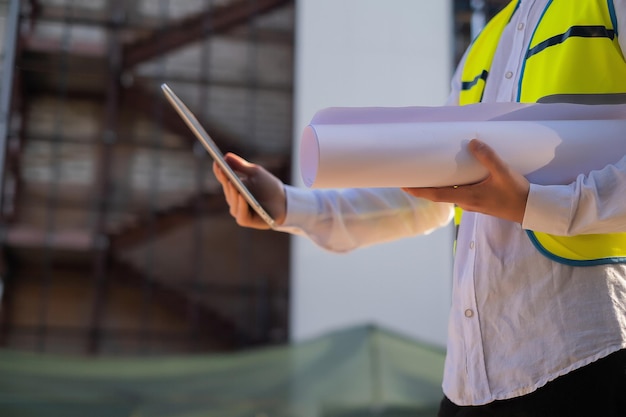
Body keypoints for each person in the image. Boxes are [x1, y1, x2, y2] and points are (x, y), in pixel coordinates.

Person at [213, 1, 626, 415]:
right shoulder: (486, 42)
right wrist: (289, 206)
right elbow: (430, 194)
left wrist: (539, 205)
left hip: (588, 353)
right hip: (472, 380)